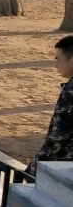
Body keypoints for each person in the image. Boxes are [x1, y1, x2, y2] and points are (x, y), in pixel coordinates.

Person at [26, 35, 73, 178]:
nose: (56, 65)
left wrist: (34, 167)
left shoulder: (70, 92)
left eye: (58, 59)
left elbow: (58, 137)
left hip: (64, 166)